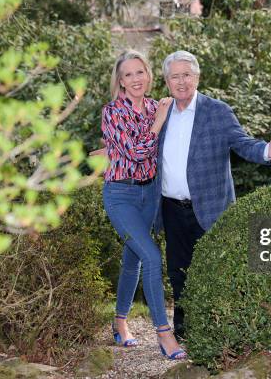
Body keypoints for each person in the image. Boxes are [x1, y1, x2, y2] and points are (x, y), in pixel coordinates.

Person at [157, 50, 271, 339]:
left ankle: (217, 330)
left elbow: (242, 143)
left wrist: (266, 151)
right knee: (178, 273)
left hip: (211, 206)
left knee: (214, 270)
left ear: (197, 77)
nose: (181, 81)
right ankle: (184, 332)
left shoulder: (216, 111)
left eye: (186, 74)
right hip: (171, 208)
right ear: (166, 81)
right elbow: (143, 145)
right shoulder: (160, 113)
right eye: (174, 76)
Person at [101, 49, 186, 360]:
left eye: (140, 72)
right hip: (120, 195)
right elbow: (137, 152)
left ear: (149, 75)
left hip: (150, 194)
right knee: (151, 256)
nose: (136, 79)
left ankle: (120, 321)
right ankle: (164, 334)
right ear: (121, 81)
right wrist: (160, 120)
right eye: (128, 74)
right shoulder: (112, 112)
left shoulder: (156, 106)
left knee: (133, 259)